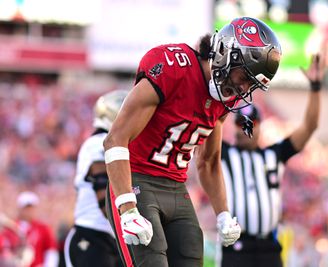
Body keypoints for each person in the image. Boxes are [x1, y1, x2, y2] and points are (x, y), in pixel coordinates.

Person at [103, 16, 282, 267]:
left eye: (249, 84)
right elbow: (115, 139)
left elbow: (208, 161)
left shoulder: (224, 99)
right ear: (225, 53)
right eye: (243, 76)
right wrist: (127, 207)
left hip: (176, 188)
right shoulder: (172, 68)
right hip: (137, 179)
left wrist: (223, 213)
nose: (242, 88)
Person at [217, 54, 323, 267]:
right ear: (234, 126)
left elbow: (309, 127)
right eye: (241, 123)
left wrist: (315, 87)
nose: (247, 129)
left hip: (269, 248)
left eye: (252, 123)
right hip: (236, 247)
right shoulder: (224, 153)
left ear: (260, 126)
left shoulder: (275, 154)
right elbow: (207, 128)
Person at [63, 90, 128, 267]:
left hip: (113, 238)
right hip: (92, 235)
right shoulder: (99, 142)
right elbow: (103, 186)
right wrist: (130, 219)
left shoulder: (114, 143)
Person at [8, 191, 59, 267]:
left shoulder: (43, 228)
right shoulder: (11, 227)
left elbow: (51, 252)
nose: (29, 211)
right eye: (26, 208)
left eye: (31, 208)